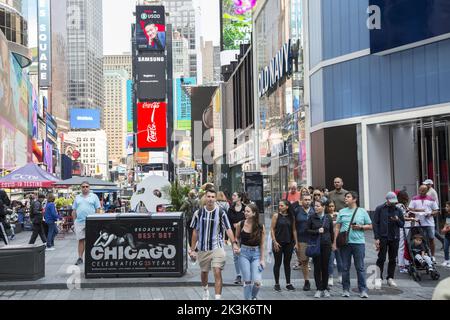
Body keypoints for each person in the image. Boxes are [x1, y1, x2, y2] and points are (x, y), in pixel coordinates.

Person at [189, 189, 239, 300]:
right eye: (208, 196)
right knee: (204, 272)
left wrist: (234, 243)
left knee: (217, 271)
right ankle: (205, 289)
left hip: (217, 247)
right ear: (205, 198)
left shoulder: (221, 212)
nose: (210, 199)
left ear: (215, 198)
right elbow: (195, 232)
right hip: (202, 248)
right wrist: (192, 249)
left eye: (212, 197)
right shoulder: (199, 213)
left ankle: (217, 298)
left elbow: (228, 228)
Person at [333, 191, 372, 298]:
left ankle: (363, 290)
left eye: (348, 197)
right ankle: (345, 290)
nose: (346, 198)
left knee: (360, 267)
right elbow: (337, 227)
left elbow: (370, 225)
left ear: (354, 199)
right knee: (345, 268)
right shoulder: (342, 211)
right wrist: (335, 242)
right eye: (345, 197)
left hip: (359, 243)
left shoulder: (362, 211)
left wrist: (361, 227)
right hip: (345, 243)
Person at [373, 192, 405, 288]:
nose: (393, 203)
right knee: (381, 258)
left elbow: (402, 224)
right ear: (386, 200)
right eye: (391, 201)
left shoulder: (398, 210)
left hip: (394, 237)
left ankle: (390, 278)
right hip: (383, 237)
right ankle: (378, 278)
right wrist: (377, 238)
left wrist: (397, 220)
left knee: (392, 259)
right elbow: (375, 223)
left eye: (394, 202)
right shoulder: (380, 208)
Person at [235, 203, 266, 300]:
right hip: (244, 253)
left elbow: (262, 245)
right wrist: (236, 246)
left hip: (256, 254)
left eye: (248, 211)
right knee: (247, 281)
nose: (245, 213)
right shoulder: (241, 224)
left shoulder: (261, 227)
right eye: (245, 211)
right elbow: (236, 238)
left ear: (254, 213)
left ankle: (253, 296)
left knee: (257, 282)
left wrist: (262, 259)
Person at [307, 199, 334, 298]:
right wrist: (317, 231)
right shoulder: (311, 217)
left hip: (326, 245)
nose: (316, 207)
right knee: (317, 267)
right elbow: (307, 230)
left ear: (323, 207)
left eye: (318, 206)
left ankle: (325, 288)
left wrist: (332, 244)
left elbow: (331, 232)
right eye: (315, 206)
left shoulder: (328, 218)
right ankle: (319, 288)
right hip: (316, 245)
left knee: (325, 267)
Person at [270, 200, 298, 292]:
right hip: (278, 243)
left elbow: (294, 230)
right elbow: (272, 229)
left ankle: (288, 283)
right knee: (277, 263)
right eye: (279, 205)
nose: (280, 207)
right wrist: (274, 241)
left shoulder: (291, 217)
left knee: (287, 263)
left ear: (287, 207)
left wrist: (296, 243)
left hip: (289, 243)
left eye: (281, 205)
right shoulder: (276, 216)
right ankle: (276, 284)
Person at [72, 181, 101, 266]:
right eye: (83, 187)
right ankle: (80, 258)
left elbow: (98, 209)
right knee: (81, 240)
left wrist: (96, 220)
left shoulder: (94, 196)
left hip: (91, 222)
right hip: (79, 222)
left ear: (89, 187)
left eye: (86, 186)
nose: (85, 188)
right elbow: (74, 211)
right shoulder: (77, 197)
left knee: (91, 240)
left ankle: (91, 257)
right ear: (81, 188)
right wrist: (74, 222)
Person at [409, 185, 439, 261]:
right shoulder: (414, 198)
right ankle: (421, 255)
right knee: (419, 240)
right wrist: (421, 211)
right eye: (420, 190)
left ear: (426, 191)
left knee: (431, 239)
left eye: (423, 191)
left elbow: (436, 210)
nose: (421, 192)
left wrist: (430, 214)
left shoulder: (431, 199)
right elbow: (410, 208)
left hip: (429, 223)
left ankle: (432, 256)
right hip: (418, 223)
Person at [293, 193, 314, 291]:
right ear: (301, 201)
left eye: (309, 199)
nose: (307, 201)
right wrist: (296, 242)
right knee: (304, 262)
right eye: (305, 199)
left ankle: (320, 281)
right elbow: (294, 228)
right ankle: (306, 281)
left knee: (318, 261)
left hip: (314, 240)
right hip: (302, 240)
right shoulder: (297, 211)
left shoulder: (314, 210)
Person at [227, 192, 246, 284]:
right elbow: (227, 222)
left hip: (245, 234)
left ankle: (245, 274)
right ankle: (238, 275)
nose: (232, 197)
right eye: (233, 195)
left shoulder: (245, 208)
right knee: (236, 255)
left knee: (244, 254)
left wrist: (240, 224)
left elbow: (249, 219)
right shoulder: (230, 209)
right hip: (234, 235)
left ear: (239, 198)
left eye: (234, 196)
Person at [396, 190, 415, 273]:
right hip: (403, 227)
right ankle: (401, 265)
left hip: (405, 227)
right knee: (402, 245)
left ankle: (404, 263)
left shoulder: (402, 205)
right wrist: (411, 218)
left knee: (404, 245)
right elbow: (402, 217)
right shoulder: (400, 206)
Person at [423, 179, 445, 249]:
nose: (425, 185)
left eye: (426, 184)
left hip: (431, 212)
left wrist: (433, 212)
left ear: (430, 184)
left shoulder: (432, 192)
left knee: (431, 228)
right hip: (428, 212)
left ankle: (440, 240)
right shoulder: (428, 191)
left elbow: (435, 203)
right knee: (431, 229)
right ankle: (441, 240)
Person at [327, 200, 343, 286]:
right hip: (330, 241)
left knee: (340, 259)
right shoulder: (326, 216)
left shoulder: (338, 214)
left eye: (332, 206)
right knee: (330, 260)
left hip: (339, 240)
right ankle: (330, 277)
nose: (331, 208)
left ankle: (340, 275)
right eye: (329, 206)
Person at [441, 201, 450, 267]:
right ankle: (447, 260)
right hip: (447, 234)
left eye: (447, 206)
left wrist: (446, 229)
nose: (445, 208)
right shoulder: (447, 214)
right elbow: (446, 223)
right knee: (445, 248)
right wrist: (444, 228)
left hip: (448, 232)